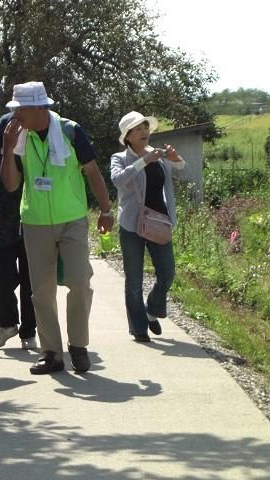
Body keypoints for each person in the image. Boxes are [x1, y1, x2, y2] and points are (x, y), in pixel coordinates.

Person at [0, 81, 114, 374]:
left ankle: (78, 346)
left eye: (21, 109)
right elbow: (11, 184)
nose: (16, 115)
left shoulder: (70, 131)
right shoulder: (18, 137)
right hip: (35, 220)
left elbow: (92, 172)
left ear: (39, 107)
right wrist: (7, 149)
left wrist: (105, 210)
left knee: (78, 280)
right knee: (41, 290)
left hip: (72, 218)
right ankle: (51, 352)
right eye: (14, 109)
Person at [109, 111, 187, 342]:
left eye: (146, 127)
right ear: (128, 136)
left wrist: (175, 158)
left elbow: (183, 171)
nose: (144, 132)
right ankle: (138, 328)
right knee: (134, 279)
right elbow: (118, 180)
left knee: (167, 272)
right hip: (131, 224)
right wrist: (144, 161)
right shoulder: (120, 157)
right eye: (138, 129)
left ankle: (151, 311)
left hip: (159, 221)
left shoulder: (159, 155)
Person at [0, 113, 37, 349]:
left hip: (32, 230)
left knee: (30, 283)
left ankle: (28, 331)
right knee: (1, 282)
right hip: (2, 232)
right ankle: (6, 325)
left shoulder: (32, 161)